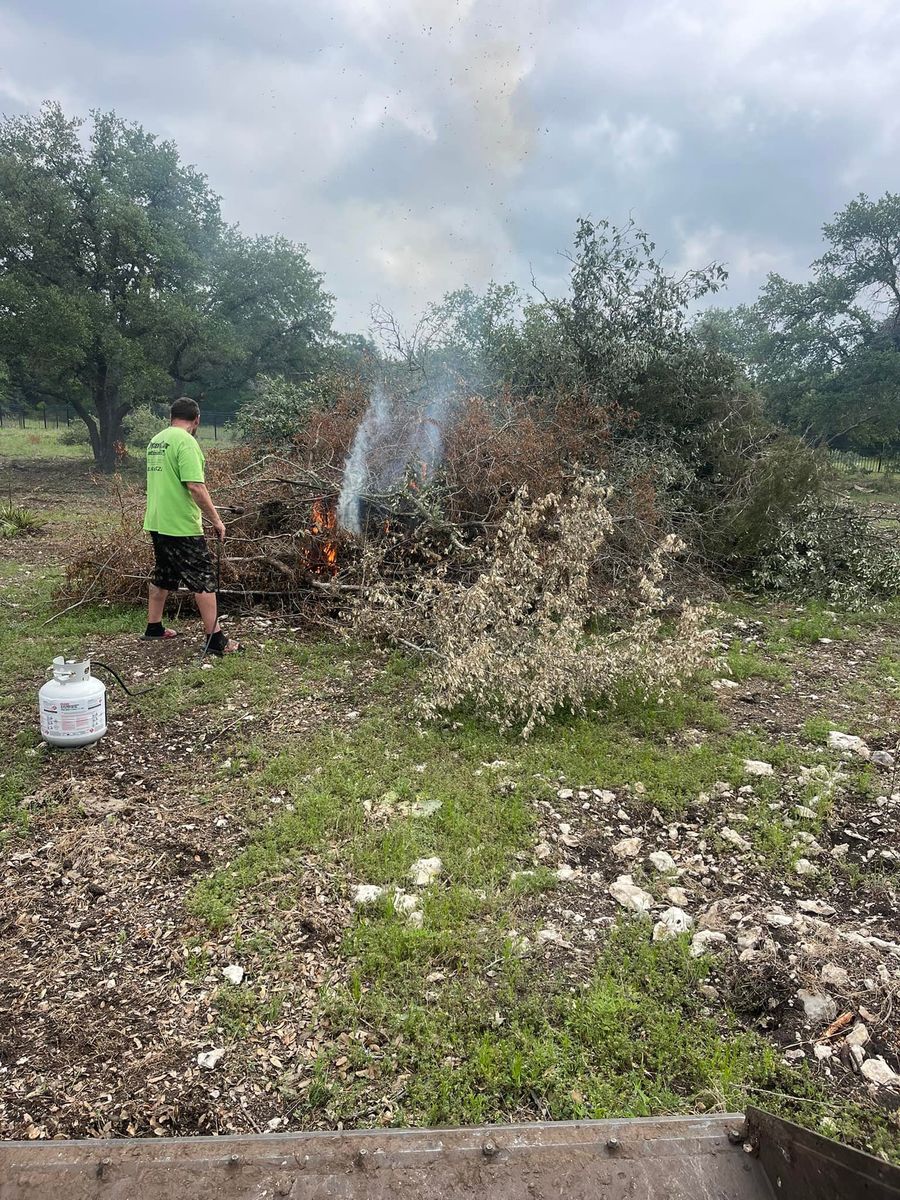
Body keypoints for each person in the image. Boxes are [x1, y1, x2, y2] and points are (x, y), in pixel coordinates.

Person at [142, 397, 240, 655]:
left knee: (164, 574)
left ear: (171, 417)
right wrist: (216, 520)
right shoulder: (186, 442)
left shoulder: (157, 441)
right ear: (197, 419)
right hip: (180, 524)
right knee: (203, 580)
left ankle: (154, 627)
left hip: (157, 520)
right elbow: (195, 486)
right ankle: (216, 640)